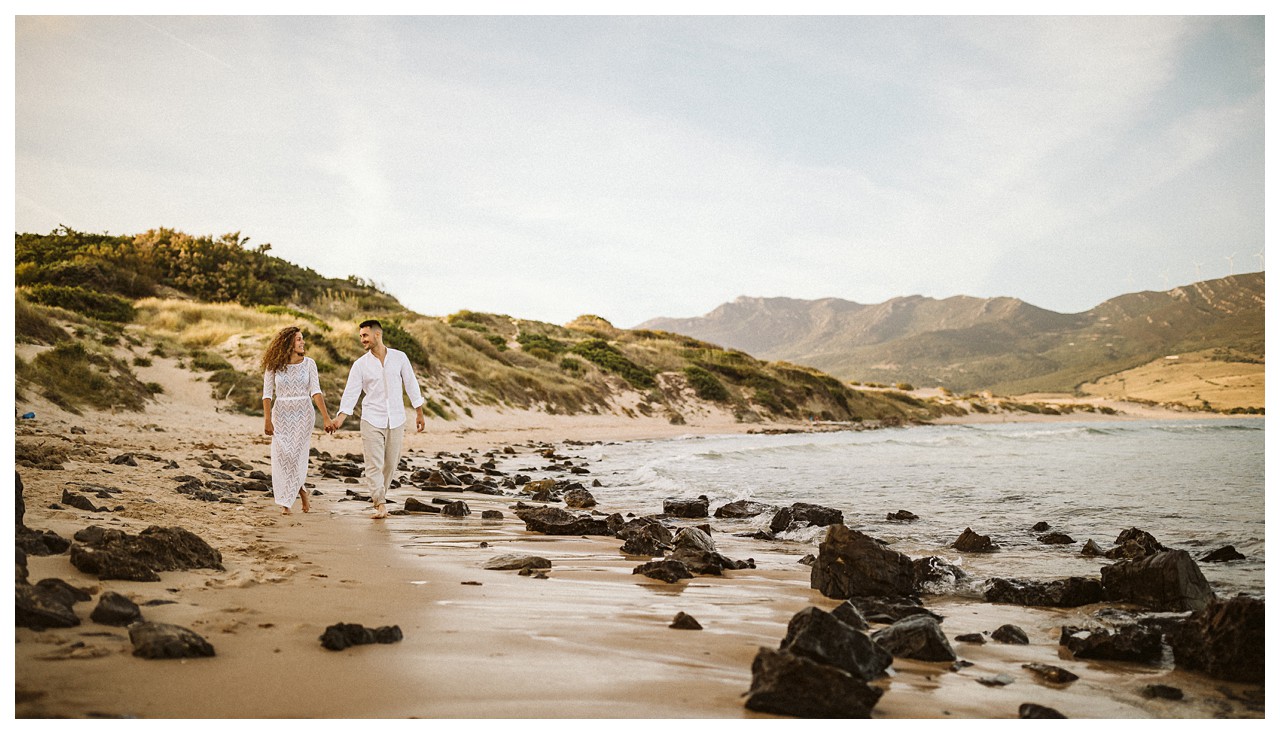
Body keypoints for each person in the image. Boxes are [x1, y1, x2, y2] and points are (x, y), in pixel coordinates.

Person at [327, 319, 426, 519]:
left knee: (390, 463)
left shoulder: (400, 357)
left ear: (377, 335)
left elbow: (411, 384)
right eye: (361, 336)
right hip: (372, 418)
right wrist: (340, 418)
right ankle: (380, 503)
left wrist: (419, 412)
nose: (362, 339)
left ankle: (381, 497)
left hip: (396, 419)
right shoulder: (360, 365)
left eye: (365, 335)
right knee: (374, 464)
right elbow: (351, 393)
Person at [261, 326, 332, 515]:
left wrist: (325, 417)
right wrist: (267, 420)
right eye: (299, 339)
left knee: (296, 456)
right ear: (288, 343)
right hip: (281, 414)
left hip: (303, 414)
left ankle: (288, 501)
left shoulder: (309, 364)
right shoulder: (273, 365)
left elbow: (315, 391)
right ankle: (300, 491)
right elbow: (267, 394)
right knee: (282, 456)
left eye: (302, 339)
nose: (303, 342)